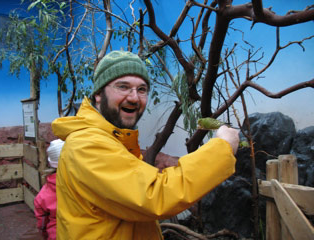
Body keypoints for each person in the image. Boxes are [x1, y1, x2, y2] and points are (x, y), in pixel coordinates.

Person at [52, 50, 239, 240]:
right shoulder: (87, 144)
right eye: (123, 87)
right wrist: (222, 148)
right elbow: (155, 195)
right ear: (98, 94)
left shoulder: (114, 139)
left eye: (142, 89)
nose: (134, 97)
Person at [34, 139, 64, 240]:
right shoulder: (85, 184)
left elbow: (42, 220)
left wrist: (45, 234)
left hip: (56, 234)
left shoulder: (44, 193)